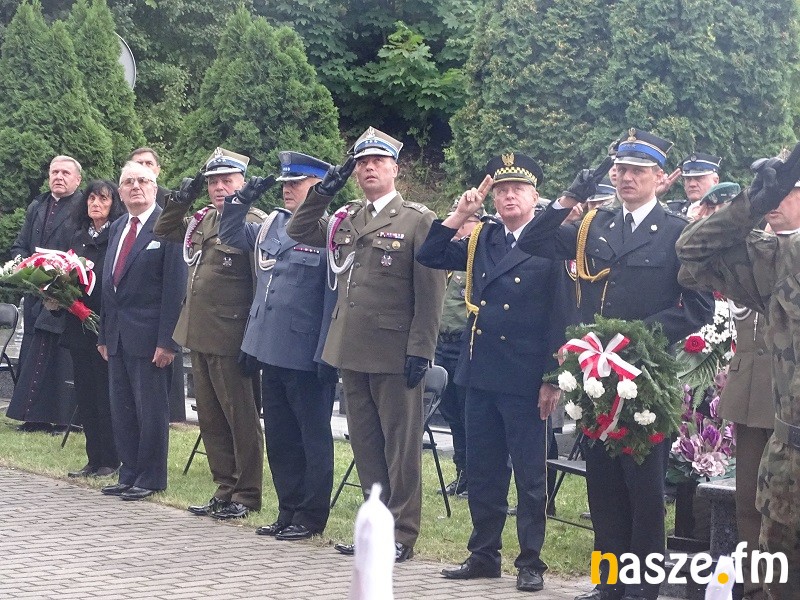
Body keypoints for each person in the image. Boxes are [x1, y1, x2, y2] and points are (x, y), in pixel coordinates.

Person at [515, 129, 713, 600]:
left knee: (643, 491)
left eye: (637, 171)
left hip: (645, 376)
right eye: (620, 170)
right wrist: (572, 195)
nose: (626, 178)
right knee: (602, 487)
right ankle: (608, 584)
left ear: (660, 178)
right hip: (596, 377)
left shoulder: (677, 232)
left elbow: (698, 307)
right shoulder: (594, 224)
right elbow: (534, 239)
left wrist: (635, 339)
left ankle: (643, 588)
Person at [418, 153, 596, 592]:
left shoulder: (551, 243)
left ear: (536, 197)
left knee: (530, 476)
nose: (508, 196)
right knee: (484, 470)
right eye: (500, 190)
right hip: (481, 371)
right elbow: (431, 254)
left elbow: (563, 315)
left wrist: (552, 378)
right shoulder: (484, 236)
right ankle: (484, 554)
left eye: (517, 189)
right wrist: (460, 213)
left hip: (526, 376)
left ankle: (530, 561)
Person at [286, 127, 446, 562]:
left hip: (394, 351)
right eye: (361, 163)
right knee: (366, 445)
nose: (369, 168)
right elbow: (299, 229)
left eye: (378, 161)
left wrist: (421, 349)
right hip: (351, 347)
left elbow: (430, 292)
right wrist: (322, 192)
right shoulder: (346, 216)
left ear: (396, 169)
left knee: (400, 449)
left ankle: (402, 533)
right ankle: (375, 527)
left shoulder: (416, 219)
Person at [676, 155, 800, 599]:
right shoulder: (783, 258)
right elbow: (692, 251)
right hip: (791, 464)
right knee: (781, 583)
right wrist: (752, 203)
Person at [219, 150, 337, 540]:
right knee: (282, 438)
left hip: (305, 353)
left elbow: (331, 296)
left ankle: (310, 515)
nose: (288, 189)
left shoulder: (331, 230)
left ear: (318, 186)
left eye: (296, 183)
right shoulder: (272, 223)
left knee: (311, 439)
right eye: (285, 183)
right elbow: (231, 236)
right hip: (269, 347)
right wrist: (240, 201)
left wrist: (326, 351)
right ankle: (288, 510)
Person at [154, 148, 265, 520]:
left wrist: (253, 339)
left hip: (232, 336)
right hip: (199, 332)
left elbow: (259, 284)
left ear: (243, 183)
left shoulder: (253, 221)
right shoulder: (202, 219)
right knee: (211, 419)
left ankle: (247, 493)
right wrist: (179, 201)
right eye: (213, 182)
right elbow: (164, 229)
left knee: (240, 418)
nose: (219, 188)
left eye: (227, 181)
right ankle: (225, 486)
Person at [97, 161, 186, 501]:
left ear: (155, 187)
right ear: (120, 192)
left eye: (143, 181)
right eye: (128, 182)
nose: (135, 186)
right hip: (117, 337)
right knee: (122, 409)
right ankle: (129, 472)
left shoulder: (169, 227)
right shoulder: (119, 226)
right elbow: (109, 285)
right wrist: (104, 335)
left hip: (151, 339)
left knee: (151, 412)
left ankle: (150, 477)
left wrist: (168, 342)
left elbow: (175, 290)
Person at [7, 156, 83, 432]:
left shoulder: (83, 206)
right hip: (36, 291)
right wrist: (25, 268)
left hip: (67, 292)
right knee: (33, 351)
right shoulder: (37, 205)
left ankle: (64, 419)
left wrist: (63, 274)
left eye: (65, 173)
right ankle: (34, 417)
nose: (58, 177)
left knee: (63, 358)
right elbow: (20, 245)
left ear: (78, 180)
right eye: (54, 172)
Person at [62, 180, 126, 478]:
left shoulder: (116, 235)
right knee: (85, 394)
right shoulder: (77, 237)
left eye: (103, 199)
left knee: (105, 393)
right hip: (78, 325)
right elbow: (64, 275)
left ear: (114, 204)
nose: (96, 204)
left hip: (104, 324)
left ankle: (111, 459)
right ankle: (93, 457)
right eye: (91, 198)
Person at [129, 146, 187, 423]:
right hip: (127, 330)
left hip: (156, 325)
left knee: (154, 409)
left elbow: (175, 284)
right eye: (136, 165)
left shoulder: (171, 208)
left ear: (158, 171)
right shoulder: (123, 218)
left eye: (147, 165)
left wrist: (168, 341)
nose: (141, 172)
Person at [434, 200, 486, 499]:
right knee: (452, 414)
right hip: (442, 345)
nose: (458, 227)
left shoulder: (477, 256)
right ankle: (462, 472)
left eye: (464, 221)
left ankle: (476, 478)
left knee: (470, 417)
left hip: (466, 346)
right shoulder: (451, 259)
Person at [664, 152, 721, 219]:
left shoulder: (725, 212)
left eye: (699, 178)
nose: (692, 184)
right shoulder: (672, 210)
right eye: (688, 179)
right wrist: (655, 193)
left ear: (715, 181)